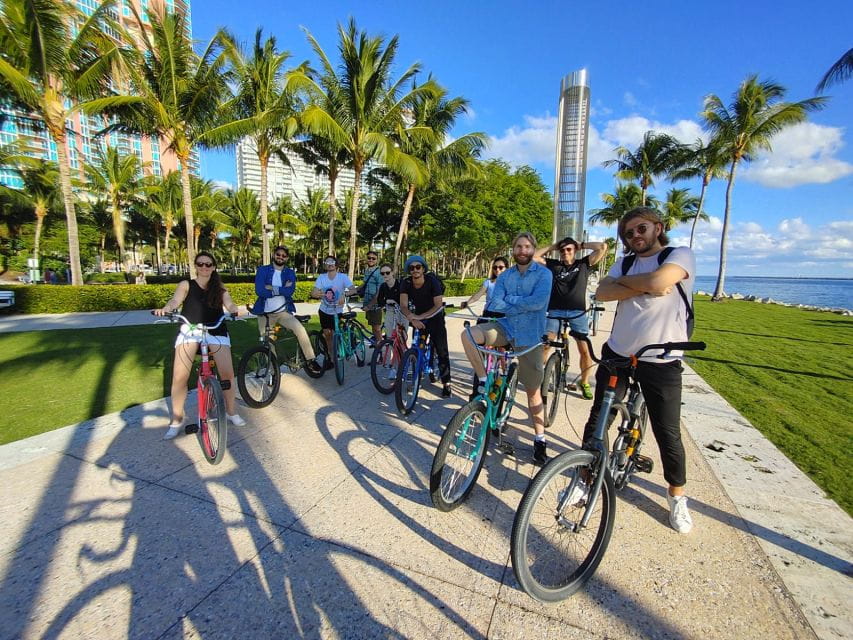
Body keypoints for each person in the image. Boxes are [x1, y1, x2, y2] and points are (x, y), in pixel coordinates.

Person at [582, 206, 696, 533]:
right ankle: (584, 478)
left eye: (641, 229)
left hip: (661, 359)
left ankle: (677, 498)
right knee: (599, 420)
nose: (635, 236)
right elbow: (602, 292)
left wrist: (629, 284)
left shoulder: (680, 254)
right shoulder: (626, 261)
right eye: (629, 233)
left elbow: (662, 281)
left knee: (667, 433)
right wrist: (645, 284)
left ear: (658, 227)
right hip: (618, 354)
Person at [461, 232, 553, 463]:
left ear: (533, 249)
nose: (522, 251)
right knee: (468, 335)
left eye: (527, 247)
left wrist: (511, 300)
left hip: (530, 336)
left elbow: (538, 303)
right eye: (518, 247)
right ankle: (483, 381)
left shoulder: (544, 274)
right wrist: (519, 303)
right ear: (513, 250)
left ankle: (540, 438)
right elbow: (495, 303)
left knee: (533, 392)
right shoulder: (505, 276)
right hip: (505, 327)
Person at [154, 251, 245, 440]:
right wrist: (167, 309)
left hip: (215, 328)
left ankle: (231, 412)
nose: (204, 267)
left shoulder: (219, 286)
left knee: (227, 374)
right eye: (201, 264)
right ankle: (176, 420)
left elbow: (229, 303)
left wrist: (236, 310)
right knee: (180, 376)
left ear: (213, 267)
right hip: (191, 329)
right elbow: (175, 300)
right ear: (195, 266)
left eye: (208, 264)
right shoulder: (186, 284)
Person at [535, 237, 607, 399]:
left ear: (575, 251)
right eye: (562, 250)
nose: (565, 252)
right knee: (546, 345)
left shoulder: (583, 264)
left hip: (577, 313)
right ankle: (539, 378)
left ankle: (585, 382)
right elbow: (534, 256)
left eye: (569, 249)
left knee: (584, 350)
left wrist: (580, 245)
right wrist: (554, 246)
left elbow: (602, 247)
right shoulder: (554, 265)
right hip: (554, 311)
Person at [251, 246, 322, 375]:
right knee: (268, 342)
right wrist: (280, 289)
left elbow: (289, 291)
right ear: (274, 255)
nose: (281, 257)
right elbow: (259, 290)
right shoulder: (263, 270)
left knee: (300, 330)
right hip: (264, 314)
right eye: (278, 254)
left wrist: (271, 288)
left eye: (284, 255)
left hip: (283, 312)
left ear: (287, 258)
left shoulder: (289, 273)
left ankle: (310, 359)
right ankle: (273, 372)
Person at [399, 255, 452, 398]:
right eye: (411, 268)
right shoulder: (406, 283)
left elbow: (438, 304)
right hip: (417, 318)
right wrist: (412, 317)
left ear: (423, 268)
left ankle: (447, 383)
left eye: (418, 267)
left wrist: (418, 317)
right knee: (416, 346)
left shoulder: (432, 281)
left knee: (442, 350)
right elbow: (403, 305)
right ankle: (416, 373)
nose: (415, 270)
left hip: (435, 317)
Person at [311, 255, 355, 367]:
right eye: (327, 262)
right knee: (327, 334)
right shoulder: (321, 277)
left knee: (336, 333)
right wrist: (316, 294)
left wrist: (344, 294)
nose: (330, 264)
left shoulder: (342, 277)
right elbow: (314, 292)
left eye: (332, 262)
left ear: (336, 264)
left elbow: (352, 290)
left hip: (337, 310)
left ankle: (339, 350)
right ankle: (331, 357)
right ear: (325, 265)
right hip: (324, 310)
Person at [461, 256, 509, 322]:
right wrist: (467, 303)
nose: (497, 270)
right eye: (495, 267)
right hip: (488, 314)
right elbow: (478, 295)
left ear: (506, 268)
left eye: (501, 267)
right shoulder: (488, 282)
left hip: (504, 316)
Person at [361, 250, 384, 345]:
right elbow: (363, 285)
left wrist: (370, 306)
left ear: (377, 260)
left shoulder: (379, 273)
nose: (371, 260)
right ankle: (376, 345)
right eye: (369, 258)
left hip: (375, 304)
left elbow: (379, 292)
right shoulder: (367, 271)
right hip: (367, 302)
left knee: (377, 328)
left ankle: (380, 348)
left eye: (373, 258)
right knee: (373, 326)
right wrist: (350, 291)